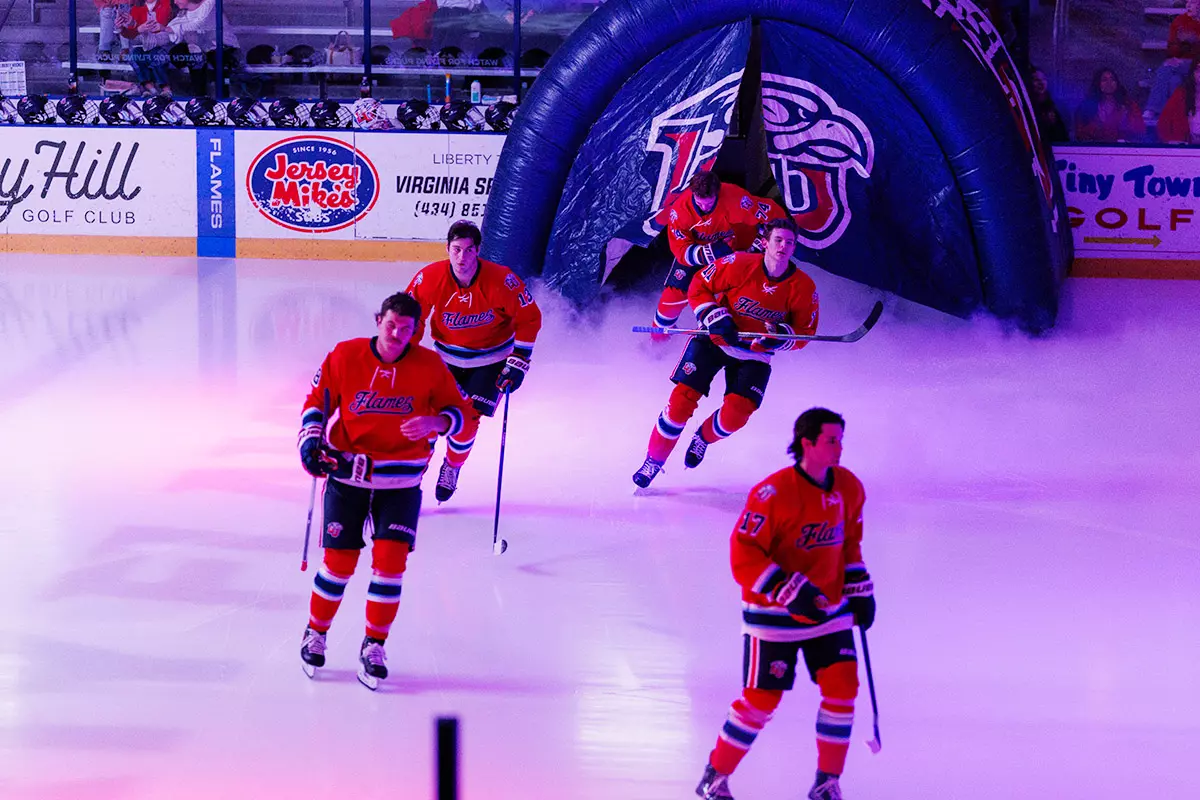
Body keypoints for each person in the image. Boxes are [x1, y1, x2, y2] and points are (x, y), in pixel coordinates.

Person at [695, 407, 875, 800]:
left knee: (843, 688)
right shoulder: (772, 493)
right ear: (806, 442)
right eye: (831, 440)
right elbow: (744, 553)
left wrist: (860, 589)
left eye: (841, 439)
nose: (839, 448)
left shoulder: (850, 487)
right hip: (773, 615)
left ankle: (827, 781)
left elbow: (850, 544)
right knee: (761, 700)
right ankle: (715, 775)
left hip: (829, 613)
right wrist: (790, 589)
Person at [297, 291, 473, 689]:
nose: (397, 334)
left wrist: (437, 423)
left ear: (416, 331)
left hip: (401, 484)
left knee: (390, 567)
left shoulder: (430, 366)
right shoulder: (344, 356)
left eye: (407, 329)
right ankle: (316, 632)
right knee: (339, 565)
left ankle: (373, 645)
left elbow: (461, 415)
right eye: (391, 325)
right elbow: (316, 402)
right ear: (378, 320)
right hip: (348, 479)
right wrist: (310, 442)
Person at [632, 217, 817, 489]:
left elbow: (804, 332)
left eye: (790, 242)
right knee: (680, 403)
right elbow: (698, 285)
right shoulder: (739, 264)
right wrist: (714, 316)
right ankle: (653, 461)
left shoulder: (803, 287)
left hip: (754, 353)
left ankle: (702, 438)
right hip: (714, 340)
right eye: (778, 240)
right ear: (765, 242)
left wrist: (777, 337)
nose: (783, 246)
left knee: (736, 415)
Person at [404, 220, 542, 503]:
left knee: (468, 419)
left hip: (491, 360)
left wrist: (519, 360)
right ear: (447, 249)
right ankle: (413, 474)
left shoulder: (502, 281)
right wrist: (406, 354)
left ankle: (452, 467)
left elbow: (530, 318)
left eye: (468, 250)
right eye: (456, 250)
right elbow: (411, 317)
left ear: (478, 250)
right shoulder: (429, 278)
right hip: (446, 358)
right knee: (429, 416)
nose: (461, 258)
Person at [650, 170, 788, 338]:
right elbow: (680, 250)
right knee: (674, 295)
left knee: (742, 293)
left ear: (718, 192)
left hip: (737, 250)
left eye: (710, 203)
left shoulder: (736, 198)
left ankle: (747, 336)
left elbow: (776, 218)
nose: (705, 208)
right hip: (698, 252)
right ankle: (656, 342)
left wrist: (759, 245)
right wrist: (709, 252)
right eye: (700, 204)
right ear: (692, 193)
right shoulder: (679, 210)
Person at [1143, 0, 1200, 126]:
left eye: (1195, 2)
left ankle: (1153, 109)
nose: (1190, 5)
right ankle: (1171, 117)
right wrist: (1180, 47)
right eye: (1188, 2)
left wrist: (1195, 40)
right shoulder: (1179, 21)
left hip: (1197, 63)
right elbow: (1170, 49)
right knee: (1174, 80)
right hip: (1181, 64)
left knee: (1166, 68)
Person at [1072, 67, 1145, 144]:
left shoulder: (1129, 105)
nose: (1109, 83)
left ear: (1117, 83)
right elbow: (1080, 134)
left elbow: (1138, 132)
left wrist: (1124, 120)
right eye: (1104, 80)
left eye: (1112, 79)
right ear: (1098, 83)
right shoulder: (1086, 107)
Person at [1157, 57, 1200, 144]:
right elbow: (1163, 124)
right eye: (1198, 69)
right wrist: (1172, 142)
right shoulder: (1180, 94)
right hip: (1184, 151)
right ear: (1192, 73)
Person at [1028, 65, 1068, 145]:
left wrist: (1053, 124)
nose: (1041, 83)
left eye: (1044, 79)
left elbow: (1064, 137)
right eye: (1036, 80)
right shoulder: (1027, 105)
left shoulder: (1056, 105)